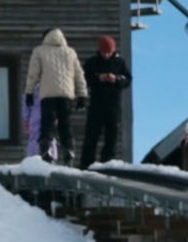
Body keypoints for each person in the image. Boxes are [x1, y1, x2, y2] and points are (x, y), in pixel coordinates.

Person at [25, 28, 88, 167]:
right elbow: (79, 75)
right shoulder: (70, 52)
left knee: (47, 124)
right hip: (66, 95)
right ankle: (69, 151)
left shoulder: (39, 51)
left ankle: (46, 152)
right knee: (65, 125)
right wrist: (82, 94)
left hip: (48, 94)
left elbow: (33, 74)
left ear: (45, 37)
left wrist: (29, 92)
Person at [79, 35, 131, 170]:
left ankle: (107, 163)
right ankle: (86, 164)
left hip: (113, 105)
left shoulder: (120, 62)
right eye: (104, 52)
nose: (107, 55)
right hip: (96, 104)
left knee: (111, 136)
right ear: (99, 50)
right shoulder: (92, 62)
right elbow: (84, 79)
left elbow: (128, 80)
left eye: (109, 52)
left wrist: (116, 79)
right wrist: (98, 78)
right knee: (91, 136)